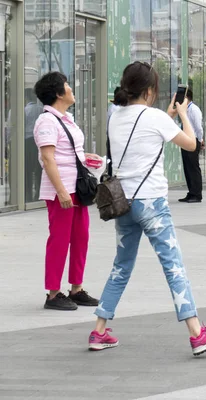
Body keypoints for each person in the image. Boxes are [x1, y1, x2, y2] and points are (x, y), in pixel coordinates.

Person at [89, 61, 206, 355]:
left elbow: (143, 134)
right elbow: (192, 144)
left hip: (123, 203)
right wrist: (182, 114)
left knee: (121, 266)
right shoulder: (155, 118)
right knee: (173, 265)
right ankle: (196, 332)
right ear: (151, 90)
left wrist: (166, 117)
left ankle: (99, 331)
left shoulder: (115, 117)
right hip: (152, 202)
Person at [33, 72, 101, 310]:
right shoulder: (47, 122)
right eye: (67, 86)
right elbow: (48, 158)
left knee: (81, 238)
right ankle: (53, 294)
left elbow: (66, 151)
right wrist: (61, 192)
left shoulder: (65, 119)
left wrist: (84, 157)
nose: (71, 89)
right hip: (61, 190)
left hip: (77, 188)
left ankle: (76, 288)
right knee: (60, 241)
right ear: (59, 93)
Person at [179, 88, 204, 203]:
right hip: (185, 140)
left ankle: (197, 194)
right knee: (187, 167)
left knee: (193, 168)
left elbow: (198, 127)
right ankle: (191, 192)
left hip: (193, 140)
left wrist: (200, 140)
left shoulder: (194, 110)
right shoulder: (184, 110)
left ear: (186, 98)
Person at [25, 88, 44, 201]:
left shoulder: (24, 110)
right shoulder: (41, 110)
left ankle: (27, 196)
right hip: (38, 142)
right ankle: (38, 194)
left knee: (27, 169)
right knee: (39, 169)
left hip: (27, 142)